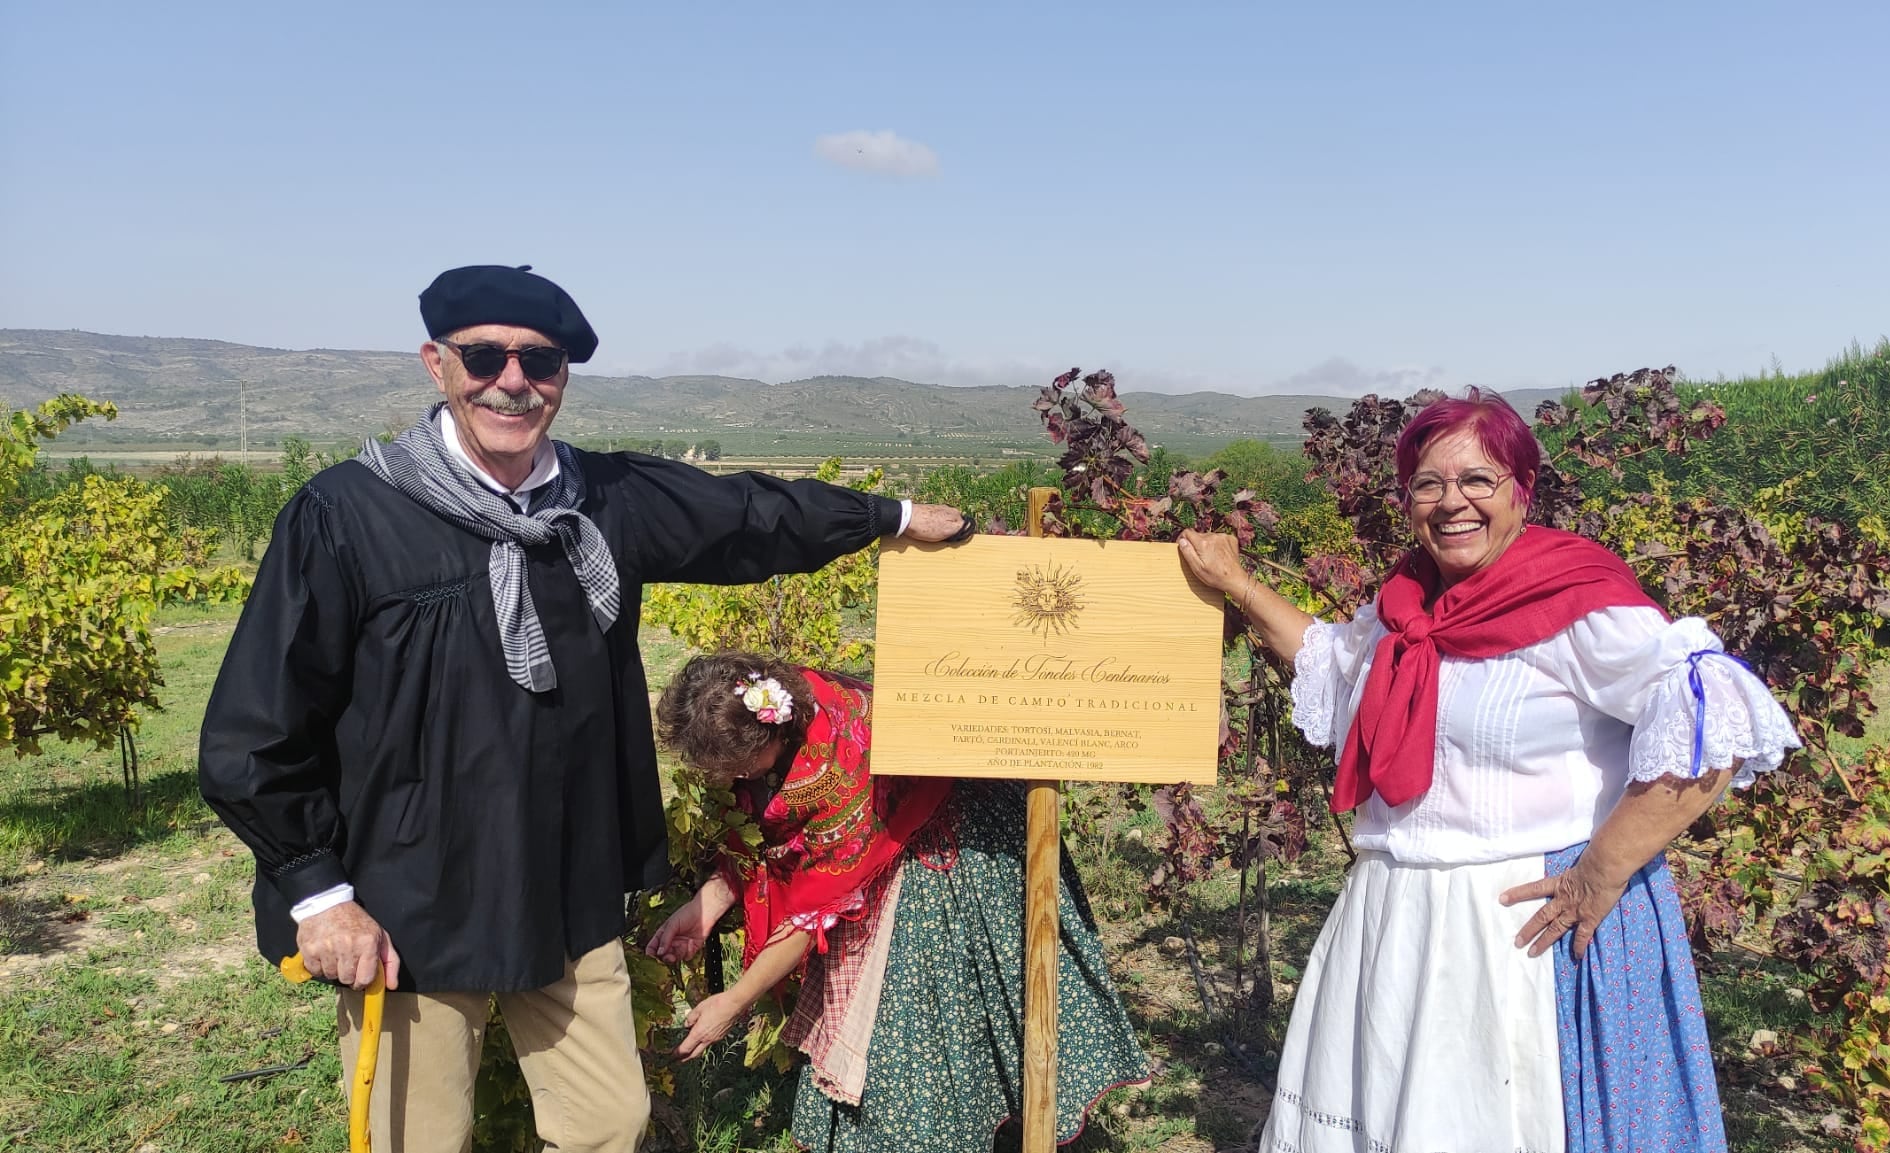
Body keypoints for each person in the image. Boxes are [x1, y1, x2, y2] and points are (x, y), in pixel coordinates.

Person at [198, 264, 971, 1153]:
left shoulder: (602, 501)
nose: (513, 381)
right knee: (418, 1138)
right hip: (410, 900)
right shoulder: (349, 515)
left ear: (563, 375)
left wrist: (891, 515)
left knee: (608, 1123)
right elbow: (256, 730)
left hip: (567, 884)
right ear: (436, 364)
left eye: (542, 361)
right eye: (485, 356)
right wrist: (318, 893)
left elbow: (749, 516)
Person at [1176, 388, 1800, 1153]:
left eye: (1478, 480)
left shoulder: (1577, 599)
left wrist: (1598, 872)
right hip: (1395, 918)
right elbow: (1339, 667)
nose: (1452, 502)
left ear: (1521, 491)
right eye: (1429, 484)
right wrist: (1238, 586)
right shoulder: (1409, 603)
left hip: (1513, 931)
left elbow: (1716, 717)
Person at [647, 651, 1152, 1153]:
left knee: (925, 1012)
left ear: (773, 737)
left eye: (735, 769)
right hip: (881, 835)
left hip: (937, 833)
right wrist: (705, 909)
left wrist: (735, 1002)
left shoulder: (839, 766)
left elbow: (812, 910)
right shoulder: (772, 697)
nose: (729, 781)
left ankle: (953, 1131)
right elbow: (760, 838)